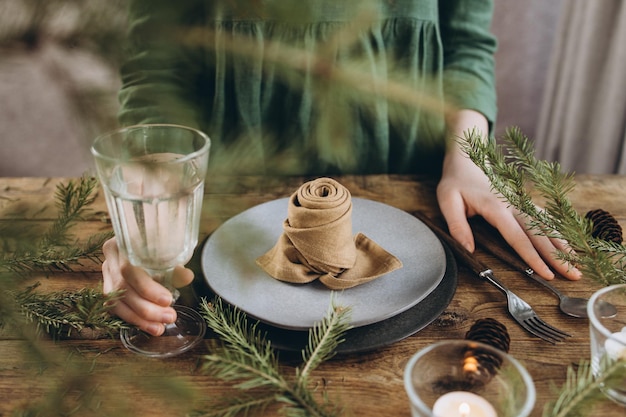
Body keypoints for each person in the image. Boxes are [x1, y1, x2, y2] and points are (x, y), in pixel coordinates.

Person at [102, 0, 581, 337]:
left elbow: (465, 44)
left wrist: (470, 156)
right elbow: (156, 63)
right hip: (231, 191)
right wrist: (149, 210)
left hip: (412, 182)